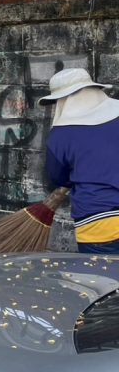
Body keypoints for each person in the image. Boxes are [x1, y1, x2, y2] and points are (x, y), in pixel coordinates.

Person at [40, 67, 119, 253]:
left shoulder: (60, 135)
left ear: (63, 100)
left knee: (103, 273)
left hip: (99, 224)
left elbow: (57, 178)